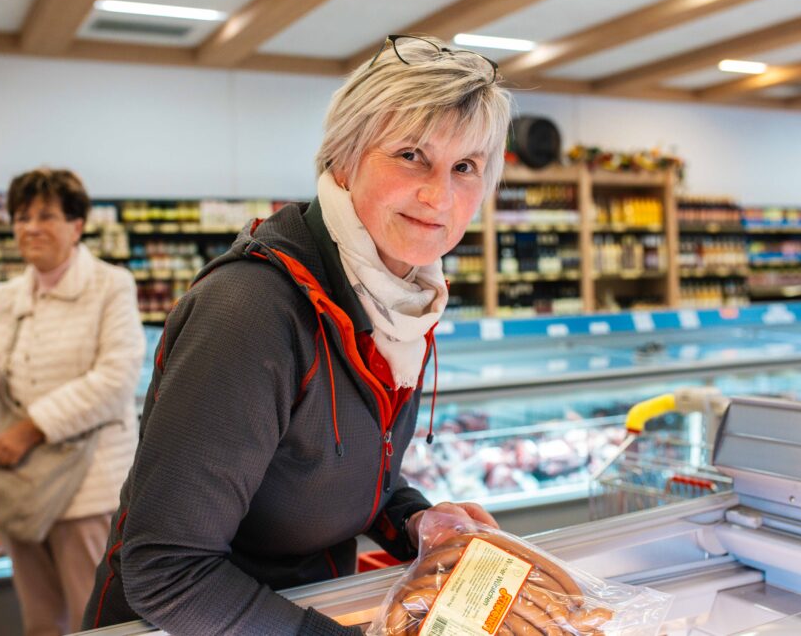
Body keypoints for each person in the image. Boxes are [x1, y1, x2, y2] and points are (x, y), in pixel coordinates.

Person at [84, 35, 513, 635]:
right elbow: (166, 570)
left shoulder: (399, 301)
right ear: (344, 158)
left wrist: (414, 522)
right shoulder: (251, 312)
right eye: (412, 154)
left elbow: (335, 466)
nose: (440, 194)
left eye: (465, 167)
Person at [0, 168, 145, 636]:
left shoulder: (110, 285)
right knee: (39, 618)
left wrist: (29, 429)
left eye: (45, 216)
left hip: (87, 486)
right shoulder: (5, 296)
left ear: (76, 225)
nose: (29, 227)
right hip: (22, 485)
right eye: (20, 217)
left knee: (92, 617)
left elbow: (116, 379)